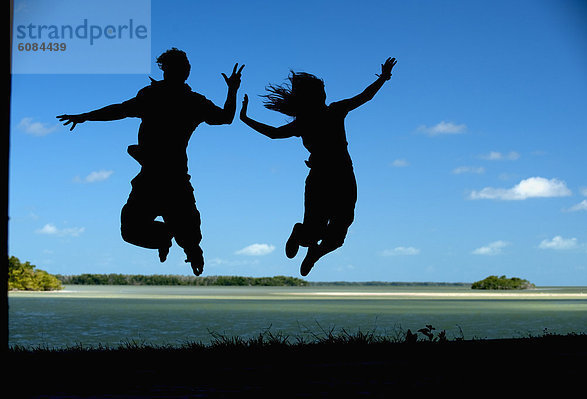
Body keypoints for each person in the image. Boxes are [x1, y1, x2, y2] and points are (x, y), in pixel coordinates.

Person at [57, 48, 244, 276]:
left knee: (178, 234)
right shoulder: (178, 100)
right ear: (182, 72)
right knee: (165, 232)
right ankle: (173, 241)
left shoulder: (172, 99)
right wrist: (232, 90)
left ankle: (183, 245)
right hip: (163, 178)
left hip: (163, 178)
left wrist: (85, 116)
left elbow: (120, 110)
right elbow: (120, 110)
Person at [240, 57, 396, 276]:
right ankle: (299, 233)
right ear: (314, 96)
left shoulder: (335, 110)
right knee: (313, 234)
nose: (325, 94)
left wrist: (383, 78)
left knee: (337, 235)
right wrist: (245, 118)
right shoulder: (310, 119)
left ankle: (315, 254)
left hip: (342, 175)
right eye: (321, 91)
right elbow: (274, 134)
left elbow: (365, 96)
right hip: (322, 178)